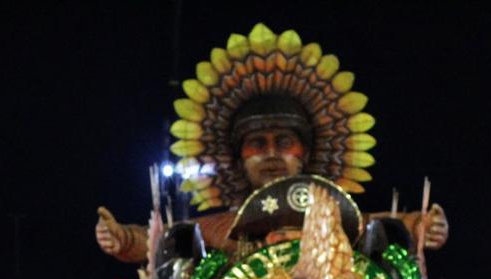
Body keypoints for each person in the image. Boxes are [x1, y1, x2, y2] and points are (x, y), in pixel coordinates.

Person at [94, 22, 449, 264]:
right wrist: (122, 238)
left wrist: (423, 226)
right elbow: (164, 239)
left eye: (284, 141)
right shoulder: (223, 228)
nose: (271, 153)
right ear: (237, 159)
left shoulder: (337, 218)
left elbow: (383, 224)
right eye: (256, 144)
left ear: (306, 154)